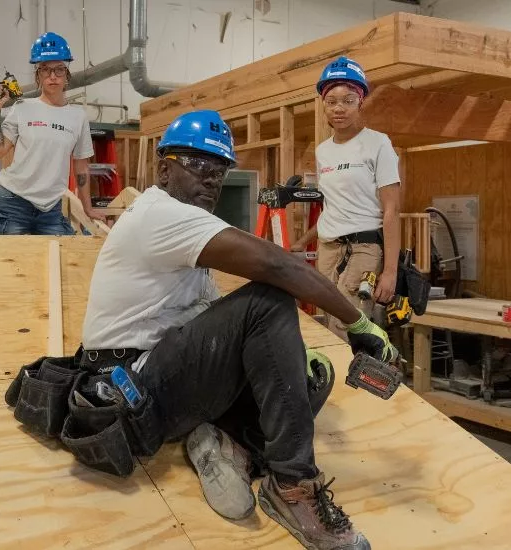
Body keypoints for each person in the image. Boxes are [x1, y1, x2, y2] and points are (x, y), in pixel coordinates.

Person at [81, 109, 398, 550]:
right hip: (134, 387)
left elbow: (205, 308)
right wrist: (357, 321)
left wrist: (289, 355)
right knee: (269, 298)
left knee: (310, 379)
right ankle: (290, 487)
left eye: (218, 169)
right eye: (196, 165)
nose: (209, 178)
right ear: (163, 168)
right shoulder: (162, 213)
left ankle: (226, 446)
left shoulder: (182, 225)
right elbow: (276, 264)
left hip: (168, 372)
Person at [291, 56, 402, 340]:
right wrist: (303, 241)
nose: (339, 108)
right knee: (327, 322)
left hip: (364, 247)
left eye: (348, 100)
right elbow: (332, 206)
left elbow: (391, 211)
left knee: (347, 326)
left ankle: (351, 381)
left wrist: (390, 272)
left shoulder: (378, 143)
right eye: (332, 101)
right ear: (324, 105)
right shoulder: (323, 151)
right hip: (328, 249)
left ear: (361, 102)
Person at [0, 31, 105, 235]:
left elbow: (81, 167)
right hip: (13, 204)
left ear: (67, 74)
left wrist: (88, 208)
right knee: (12, 264)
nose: (52, 76)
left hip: (51, 209)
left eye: (59, 69)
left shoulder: (78, 117)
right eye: (45, 70)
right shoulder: (22, 108)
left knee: (60, 262)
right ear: (38, 75)